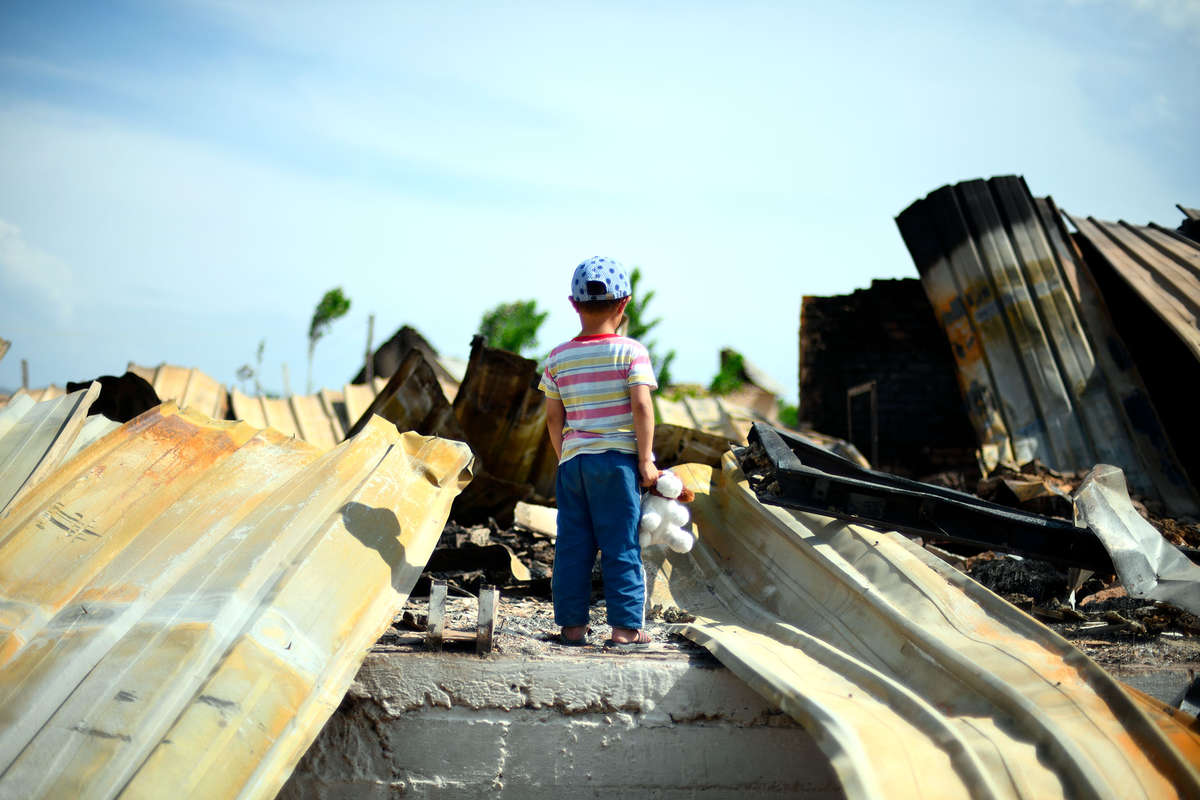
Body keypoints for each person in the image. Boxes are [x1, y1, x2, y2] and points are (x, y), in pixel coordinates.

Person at [538, 256, 660, 648]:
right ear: (623, 304)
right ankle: (625, 628)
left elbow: (553, 418)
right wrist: (645, 460)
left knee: (573, 545)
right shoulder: (631, 352)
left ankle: (572, 628)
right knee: (620, 544)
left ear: (573, 304)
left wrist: (564, 455)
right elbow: (642, 407)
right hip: (617, 464)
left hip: (573, 465)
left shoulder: (558, 358)